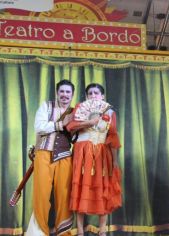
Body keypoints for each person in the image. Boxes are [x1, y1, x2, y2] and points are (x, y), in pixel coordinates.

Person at [66, 83, 122, 236]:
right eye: (90, 94)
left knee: (102, 188)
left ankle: (102, 230)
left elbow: (112, 137)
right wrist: (88, 122)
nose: (93, 96)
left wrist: (115, 161)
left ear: (102, 96)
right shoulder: (79, 108)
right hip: (82, 153)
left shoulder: (109, 112)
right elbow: (71, 126)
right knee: (80, 188)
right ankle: (79, 231)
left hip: (102, 155)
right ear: (86, 96)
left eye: (96, 93)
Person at [27, 79, 75, 235]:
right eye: (62, 91)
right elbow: (39, 126)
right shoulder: (46, 106)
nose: (65, 95)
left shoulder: (76, 112)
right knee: (41, 195)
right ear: (57, 93)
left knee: (64, 197)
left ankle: (64, 233)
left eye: (68, 92)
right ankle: (38, 232)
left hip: (65, 156)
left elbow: (75, 138)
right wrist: (60, 125)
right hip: (43, 155)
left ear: (72, 94)